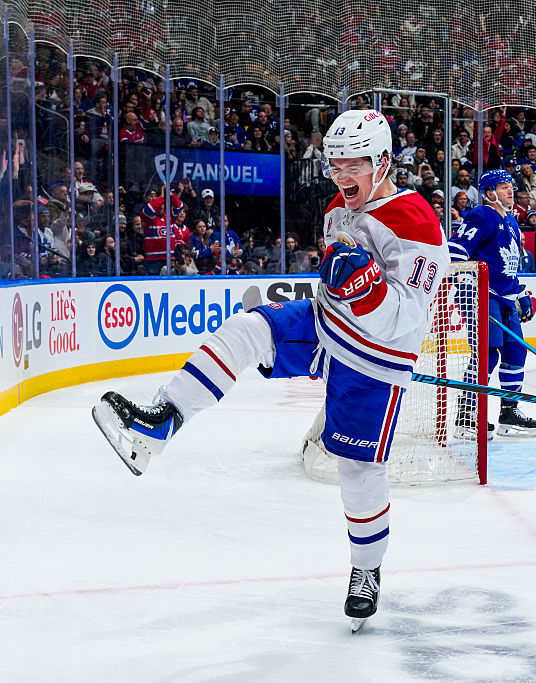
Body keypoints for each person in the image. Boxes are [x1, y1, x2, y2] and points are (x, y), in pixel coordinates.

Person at [92, 109, 449, 630]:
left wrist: (367, 290)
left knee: (357, 469)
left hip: (377, 357)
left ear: (383, 162)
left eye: (353, 165)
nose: (341, 176)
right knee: (247, 330)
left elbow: (408, 317)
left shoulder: (415, 220)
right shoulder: (337, 209)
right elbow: (341, 279)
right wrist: (347, 286)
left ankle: (366, 570)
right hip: (326, 324)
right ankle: (161, 422)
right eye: (334, 165)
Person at [448, 169, 536, 438]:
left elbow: (507, 264)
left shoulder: (511, 221)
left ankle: (509, 414)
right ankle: (467, 416)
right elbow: (455, 252)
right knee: (487, 355)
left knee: (516, 352)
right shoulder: (482, 215)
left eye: (511, 186)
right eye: (503, 187)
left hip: (505, 298)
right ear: (489, 193)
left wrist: (519, 291)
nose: (510, 190)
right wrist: (467, 284)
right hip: (482, 295)